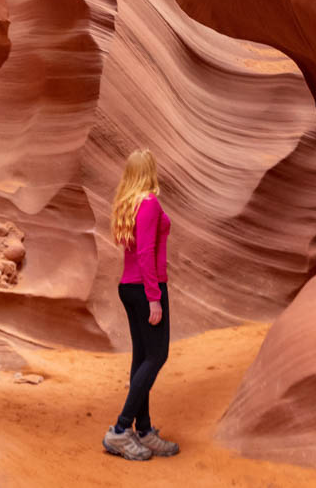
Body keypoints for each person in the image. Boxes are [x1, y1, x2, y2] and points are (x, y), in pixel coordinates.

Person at [102, 148, 180, 460]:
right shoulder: (148, 203)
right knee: (157, 355)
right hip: (146, 287)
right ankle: (121, 430)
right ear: (149, 170)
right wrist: (154, 298)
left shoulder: (128, 203)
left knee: (143, 358)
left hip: (129, 286)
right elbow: (146, 253)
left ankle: (143, 429)